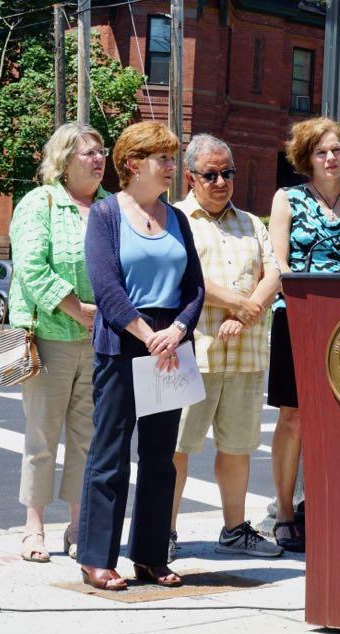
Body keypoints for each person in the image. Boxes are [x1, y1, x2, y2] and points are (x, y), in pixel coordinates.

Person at [77, 122, 205, 591]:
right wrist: (146, 333)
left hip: (170, 345)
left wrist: (177, 329)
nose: (173, 167)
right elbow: (106, 287)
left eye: (173, 158)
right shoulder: (107, 215)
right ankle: (96, 558)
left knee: (159, 457)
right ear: (133, 163)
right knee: (109, 454)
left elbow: (195, 286)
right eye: (164, 159)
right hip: (123, 342)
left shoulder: (179, 219)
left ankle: (150, 556)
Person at [169, 135, 283, 561]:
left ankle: (235, 530)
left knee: (237, 448)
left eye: (227, 173)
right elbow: (184, 275)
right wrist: (238, 302)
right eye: (211, 174)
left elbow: (275, 270)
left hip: (247, 354)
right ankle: (165, 531)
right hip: (192, 354)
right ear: (190, 178)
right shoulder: (174, 219)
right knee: (176, 449)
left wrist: (249, 309)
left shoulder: (252, 222)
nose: (221, 182)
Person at [267, 117, 340, 552]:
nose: (330, 158)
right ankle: (285, 510)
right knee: (293, 416)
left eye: (336, 150)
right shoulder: (287, 199)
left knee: (339, 419)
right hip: (297, 318)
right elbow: (279, 265)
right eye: (321, 152)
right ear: (306, 159)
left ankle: (325, 505)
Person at [8, 123, 109, 563]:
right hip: (44, 337)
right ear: (65, 160)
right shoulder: (39, 203)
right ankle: (34, 527)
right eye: (88, 152)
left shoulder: (112, 208)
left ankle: (78, 525)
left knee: (88, 437)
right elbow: (30, 268)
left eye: (101, 151)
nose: (99, 158)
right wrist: (78, 311)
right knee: (42, 436)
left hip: (101, 339)